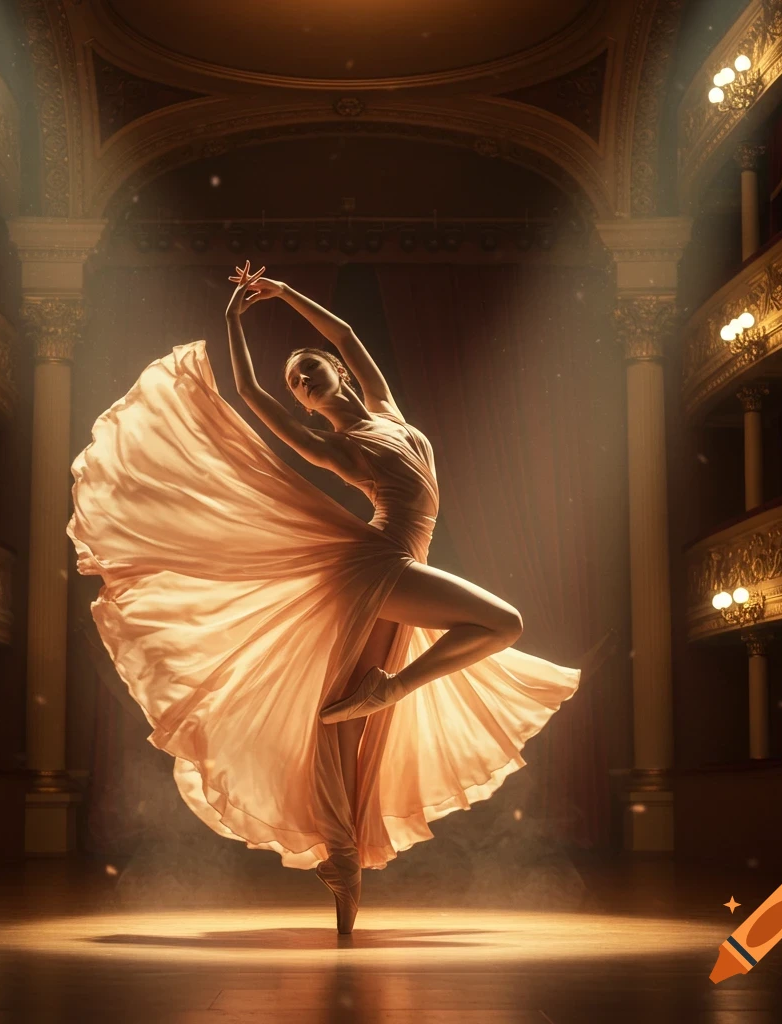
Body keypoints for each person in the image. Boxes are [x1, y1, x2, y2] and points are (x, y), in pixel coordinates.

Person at [67, 261, 584, 937]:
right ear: (307, 405)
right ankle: (388, 692)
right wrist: (233, 322)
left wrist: (283, 293)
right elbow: (250, 393)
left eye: (309, 370)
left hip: (395, 567)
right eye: (297, 384)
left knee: (341, 724)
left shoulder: (386, 410)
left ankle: (343, 864)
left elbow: (342, 332)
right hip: (380, 565)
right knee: (501, 624)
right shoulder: (331, 444)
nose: (304, 381)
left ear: (337, 373)